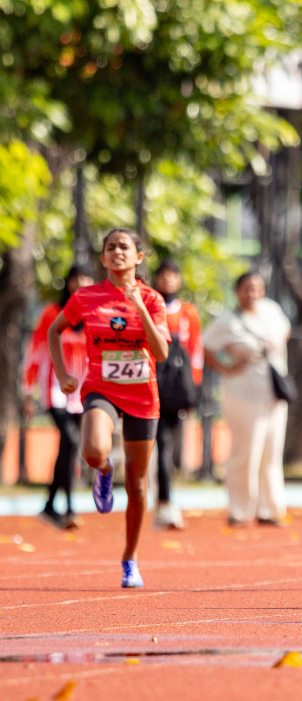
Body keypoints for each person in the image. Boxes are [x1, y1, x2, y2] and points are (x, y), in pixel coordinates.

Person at [47, 229, 169, 589]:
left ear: (138, 257)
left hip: (143, 396)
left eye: (124, 247)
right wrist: (62, 373)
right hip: (101, 388)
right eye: (110, 248)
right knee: (93, 450)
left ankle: (130, 558)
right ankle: (103, 469)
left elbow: (161, 354)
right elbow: (56, 330)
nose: (117, 252)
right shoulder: (86, 297)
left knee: (138, 484)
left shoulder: (153, 298)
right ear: (102, 259)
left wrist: (139, 305)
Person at [204, 271, 291, 526]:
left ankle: (270, 509)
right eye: (246, 288)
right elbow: (207, 348)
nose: (252, 293)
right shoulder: (227, 321)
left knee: (272, 452)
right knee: (246, 451)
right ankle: (240, 510)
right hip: (242, 394)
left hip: (274, 393)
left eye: (257, 288)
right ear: (237, 291)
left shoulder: (272, 311)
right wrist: (227, 366)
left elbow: (285, 333)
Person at [24, 265, 92, 530]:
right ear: (68, 283)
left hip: (82, 392)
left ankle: (50, 505)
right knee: (72, 441)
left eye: (85, 279)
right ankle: (70, 507)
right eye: (76, 279)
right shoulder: (52, 313)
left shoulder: (93, 315)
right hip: (54, 390)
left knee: (68, 446)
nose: (80, 284)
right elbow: (35, 352)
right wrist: (28, 392)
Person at [151, 261, 204, 530]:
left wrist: (192, 389)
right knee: (160, 443)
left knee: (168, 444)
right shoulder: (149, 308)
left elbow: (196, 351)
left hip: (176, 387)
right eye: (163, 275)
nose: (168, 280)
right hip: (152, 383)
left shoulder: (188, 312)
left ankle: (165, 501)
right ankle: (163, 502)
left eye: (172, 275)